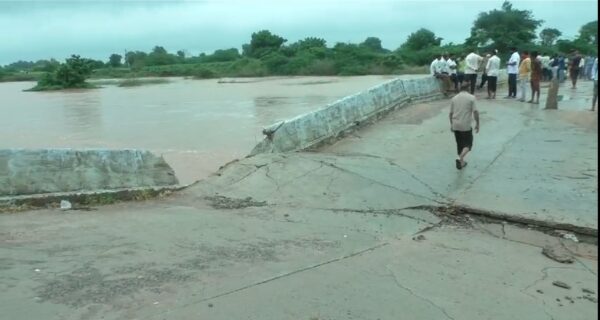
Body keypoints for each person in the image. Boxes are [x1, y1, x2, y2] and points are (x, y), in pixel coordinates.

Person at [450, 86, 479, 170]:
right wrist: (477, 123)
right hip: (465, 125)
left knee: (460, 144)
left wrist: (451, 125)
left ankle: (462, 163)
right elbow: (475, 112)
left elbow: (450, 114)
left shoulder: (454, 98)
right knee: (468, 144)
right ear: (468, 89)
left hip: (455, 124)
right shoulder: (471, 97)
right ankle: (459, 158)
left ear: (460, 89)